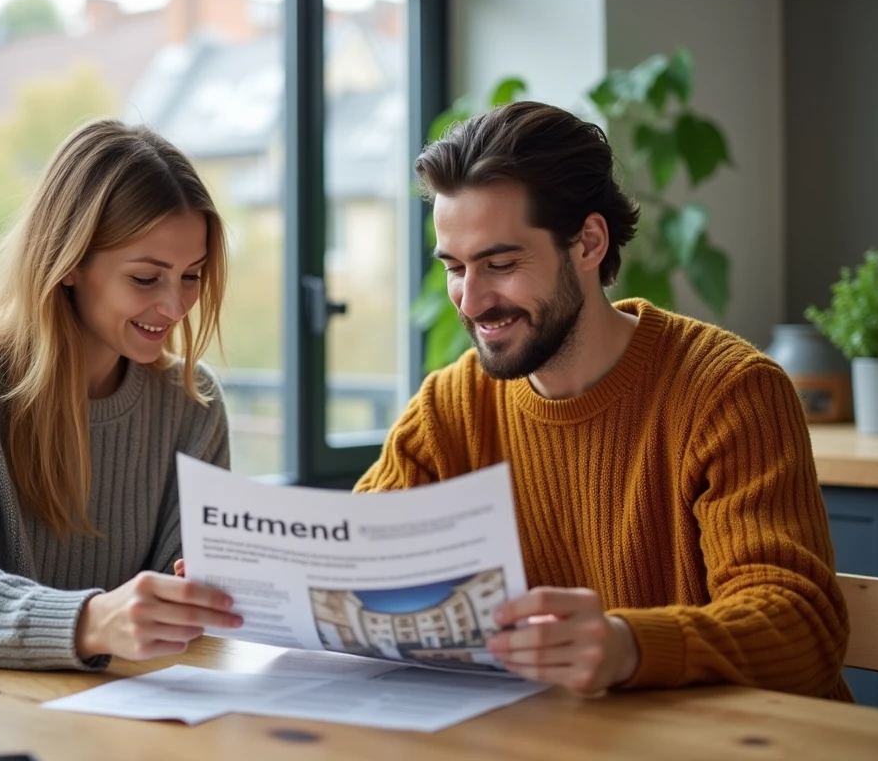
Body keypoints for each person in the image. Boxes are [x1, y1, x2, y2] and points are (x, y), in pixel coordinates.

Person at [355, 101, 850, 700]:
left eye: (502, 263)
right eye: (455, 268)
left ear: (588, 242)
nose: (471, 299)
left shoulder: (730, 392)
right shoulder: (450, 407)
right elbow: (357, 566)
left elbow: (802, 628)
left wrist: (628, 645)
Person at [0, 120, 242, 670]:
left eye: (192, 276)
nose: (176, 307)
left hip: (110, 721)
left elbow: (187, 599)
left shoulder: (193, 403)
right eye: (146, 279)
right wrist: (93, 621)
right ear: (70, 264)